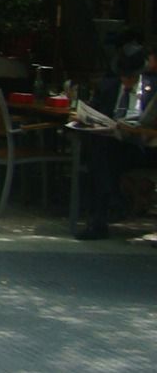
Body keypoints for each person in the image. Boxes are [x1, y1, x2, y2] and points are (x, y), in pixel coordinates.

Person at [72, 43, 157, 240]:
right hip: (115, 146)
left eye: (131, 77)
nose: (126, 81)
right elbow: (94, 111)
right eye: (123, 76)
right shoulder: (108, 87)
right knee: (101, 150)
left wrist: (138, 129)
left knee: (100, 157)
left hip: (145, 147)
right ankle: (105, 212)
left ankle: (109, 207)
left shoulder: (153, 89)